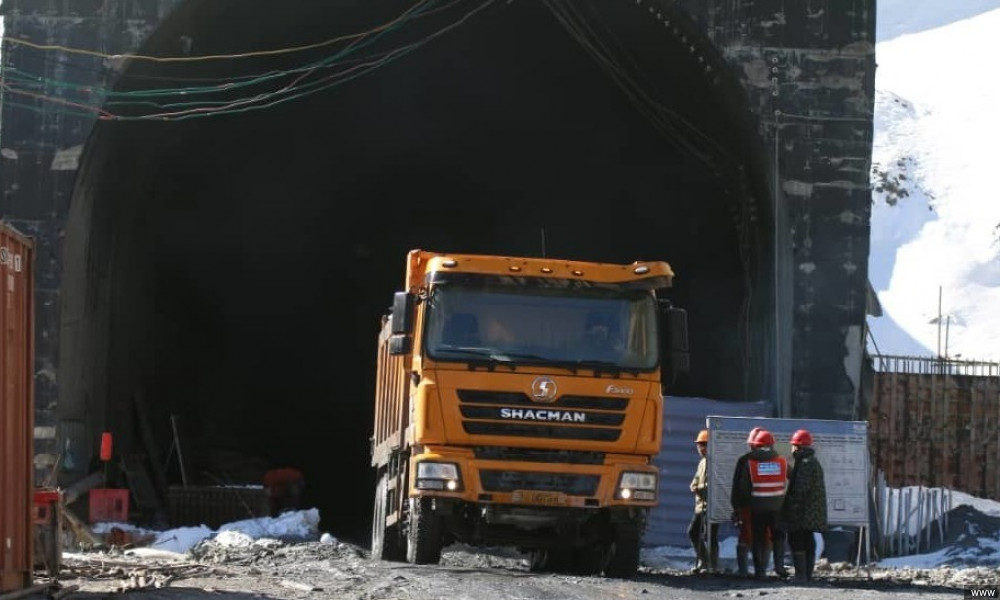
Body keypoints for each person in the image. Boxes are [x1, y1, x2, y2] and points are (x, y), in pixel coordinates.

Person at [732, 428, 788, 579]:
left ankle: (756, 571)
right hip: (776, 507)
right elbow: (791, 477)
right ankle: (777, 567)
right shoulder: (781, 461)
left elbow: (739, 487)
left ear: (754, 445)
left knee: (751, 537)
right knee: (773, 537)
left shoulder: (747, 462)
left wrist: (737, 507)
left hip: (753, 506)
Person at [780, 429, 827, 583]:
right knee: (807, 539)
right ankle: (806, 575)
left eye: (793, 446)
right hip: (811, 511)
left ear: (798, 447)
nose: (792, 449)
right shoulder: (810, 461)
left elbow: (801, 489)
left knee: (797, 539)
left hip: (804, 511)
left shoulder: (806, 463)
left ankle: (801, 575)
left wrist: (789, 508)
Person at [730, 426, 762, 576]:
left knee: (745, 536)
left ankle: (743, 571)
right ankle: (761, 572)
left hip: (747, 506)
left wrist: (736, 507)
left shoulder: (744, 461)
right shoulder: (777, 460)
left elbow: (736, 486)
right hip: (767, 507)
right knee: (764, 537)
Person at [688, 429, 719, 573]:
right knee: (693, 532)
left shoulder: (715, 463)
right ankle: (704, 561)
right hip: (700, 506)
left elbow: (715, 484)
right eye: (699, 445)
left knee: (711, 536)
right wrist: (694, 486)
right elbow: (696, 480)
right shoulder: (702, 463)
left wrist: (701, 488)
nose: (701, 448)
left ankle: (713, 565)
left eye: (704, 444)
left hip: (712, 506)